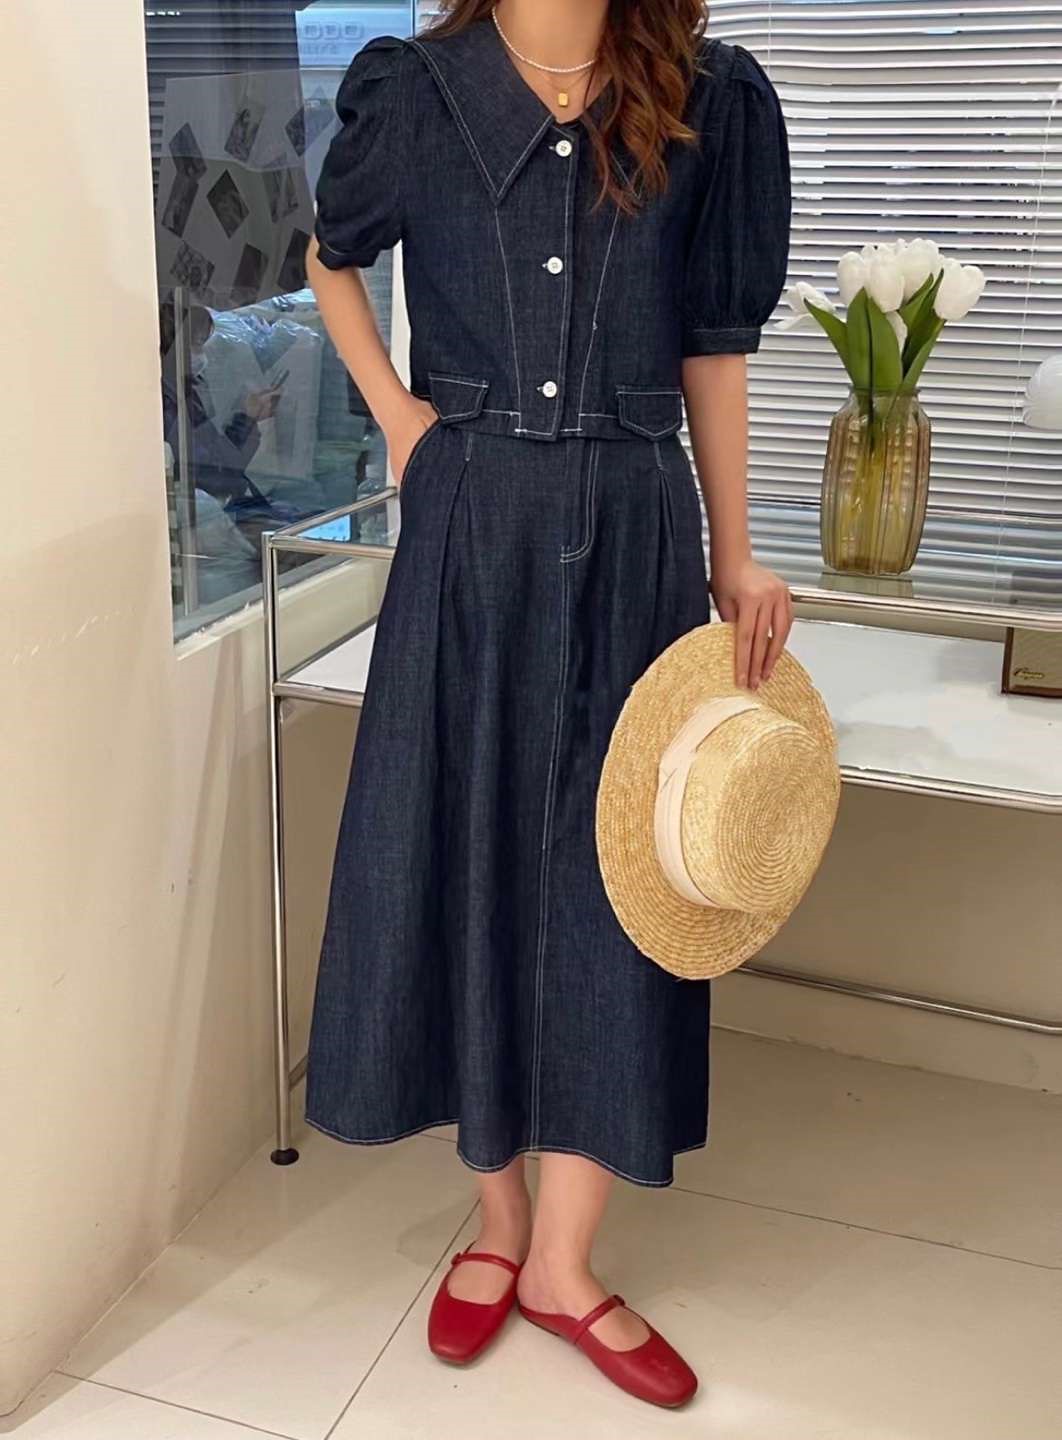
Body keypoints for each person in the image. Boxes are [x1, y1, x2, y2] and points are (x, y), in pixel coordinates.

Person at [303, 0, 793, 1408]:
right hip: (471, 520)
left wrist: (736, 549)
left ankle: (565, 1265)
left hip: (639, 524)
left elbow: (711, 343)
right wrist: (402, 422)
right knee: (467, 852)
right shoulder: (415, 89)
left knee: (617, 877)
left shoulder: (706, 95)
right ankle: (497, 1222)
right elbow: (333, 261)